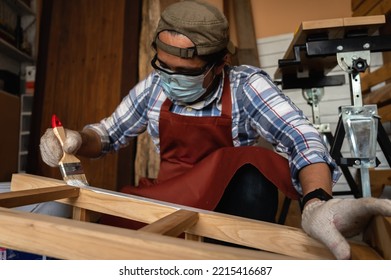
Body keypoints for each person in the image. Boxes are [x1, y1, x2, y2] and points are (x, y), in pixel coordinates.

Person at [39, 0, 391, 259]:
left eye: (186, 73)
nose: (171, 81)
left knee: (255, 171)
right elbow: (108, 134)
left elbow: (301, 137)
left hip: (229, 206)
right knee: (101, 240)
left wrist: (316, 202)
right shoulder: (153, 87)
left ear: (221, 63)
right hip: (174, 195)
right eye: (164, 67)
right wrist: (75, 139)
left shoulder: (245, 85)